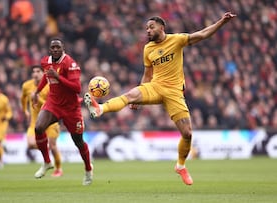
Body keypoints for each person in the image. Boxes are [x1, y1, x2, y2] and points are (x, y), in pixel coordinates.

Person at [84, 12, 236, 185]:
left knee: (187, 133)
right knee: (130, 95)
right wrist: (139, 94)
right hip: (155, 87)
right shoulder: (148, 49)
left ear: (161, 28)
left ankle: (180, 166)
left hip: (174, 92)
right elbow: (147, 74)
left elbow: (202, 34)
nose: (148, 31)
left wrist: (222, 22)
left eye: (151, 27)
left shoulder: (177, 40)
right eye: (146, 28)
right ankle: (100, 108)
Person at [32, 38, 93, 185]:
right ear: (49, 49)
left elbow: (77, 88)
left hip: (71, 108)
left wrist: (58, 77)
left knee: (78, 142)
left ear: (62, 48)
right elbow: (47, 77)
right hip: (53, 104)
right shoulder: (46, 62)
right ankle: (47, 162)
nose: (55, 50)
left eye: (57, 47)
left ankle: (88, 169)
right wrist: (37, 91)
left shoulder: (70, 64)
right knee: (38, 127)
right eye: (52, 47)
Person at [21, 65, 63, 177]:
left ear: (43, 73)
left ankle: (58, 169)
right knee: (30, 144)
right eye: (34, 71)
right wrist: (25, 110)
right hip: (35, 122)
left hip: (49, 120)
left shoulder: (49, 86)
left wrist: (37, 97)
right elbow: (23, 98)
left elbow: (49, 104)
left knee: (53, 146)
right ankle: (47, 155)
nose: (35, 73)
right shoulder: (26, 85)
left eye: (38, 71)